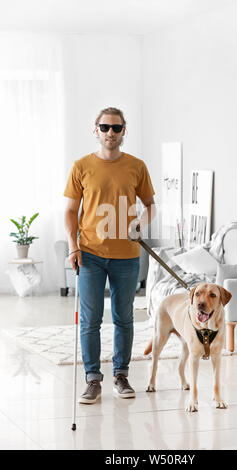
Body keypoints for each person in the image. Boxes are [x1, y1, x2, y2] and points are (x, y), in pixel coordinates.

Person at [64, 107, 156, 403]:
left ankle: (121, 375)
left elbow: (150, 205)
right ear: (96, 130)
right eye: (105, 127)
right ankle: (93, 379)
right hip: (89, 254)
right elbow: (69, 210)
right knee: (90, 320)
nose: (110, 133)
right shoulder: (81, 166)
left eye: (116, 128)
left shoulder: (137, 166)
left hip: (127, 256)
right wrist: (73, 247)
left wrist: (141, 223)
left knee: (123, 317)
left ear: (124, 131)